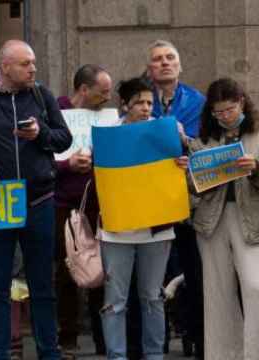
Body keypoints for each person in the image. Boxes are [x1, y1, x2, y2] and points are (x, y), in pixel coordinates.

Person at [0, 39, 72, 359]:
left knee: (42, 283)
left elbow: (65, 140)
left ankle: (49, 351)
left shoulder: (41, 95)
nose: (33, 68)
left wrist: (41, 135)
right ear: (4, 66)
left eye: (33, 62)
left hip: (40, 200)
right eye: (25, 64)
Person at [189, 78, 259, 360]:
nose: (224, 116)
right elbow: (192, 186)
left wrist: (255, 168)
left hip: (251, 218)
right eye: (218, 112)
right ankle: (222, 355)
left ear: (241, 102)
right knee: (218, 291)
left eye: (229, 110)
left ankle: (257, 355)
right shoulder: (203, 139)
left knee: (256, 287)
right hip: (212, 220)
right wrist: (197, 174)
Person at [97, 77, 187, 360]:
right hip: (117, 230)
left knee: (153, 298)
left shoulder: (167, 133)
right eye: (140, 103)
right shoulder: (108, 136)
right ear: (125, 105)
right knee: (115, 301)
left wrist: (182, 158)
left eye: (150, 102)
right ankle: (117, 355)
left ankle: (154, 355)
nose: (147, 108)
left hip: (156, 230)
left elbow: (185, 164)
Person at [146, 39, 205, 358]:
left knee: (191, 271)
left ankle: (193, 335)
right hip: (150, 200)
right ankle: (159, 338)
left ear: (180, 66)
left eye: (171, 57)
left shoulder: (197, 101)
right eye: (158, 59)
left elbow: (205, 146)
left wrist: (185, 140)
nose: (165, 63)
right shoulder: (140, 101)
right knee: (155, 273)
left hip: (187, 201)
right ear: (149, 68)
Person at [55, 64, 111, 358]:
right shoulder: (57, 113)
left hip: (99, 204)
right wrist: (67, 165)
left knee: (102, 270)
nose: (107, 98)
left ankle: (104, 338)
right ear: (84, 90)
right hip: (65, 204)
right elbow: (41, 159)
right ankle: (68, 337)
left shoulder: (106, 118)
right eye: (103, 92)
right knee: (66, 271)